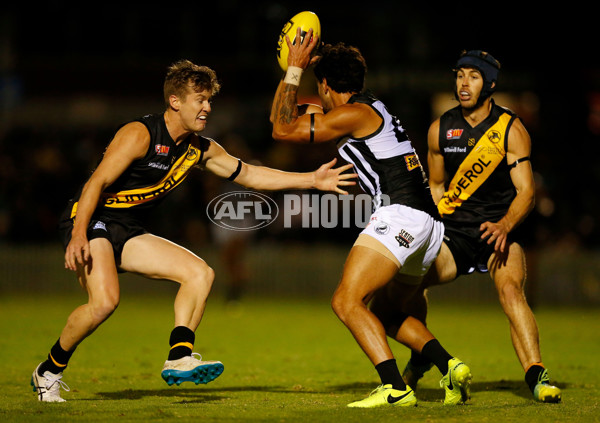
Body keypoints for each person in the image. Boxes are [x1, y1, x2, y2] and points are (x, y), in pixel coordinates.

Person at [31, 59, 357, 403]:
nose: (207, 107)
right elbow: (96, 182)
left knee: (200, 273)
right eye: (199, 100)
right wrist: (80, 233)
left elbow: (249, 175)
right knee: (104, 303)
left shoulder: (199, 148)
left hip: (127, 229)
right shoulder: (140, 134)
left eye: (209, 100)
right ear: (175, 102)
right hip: (91, 218)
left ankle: (179, 356)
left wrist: (312, 180)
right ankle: (48, 371)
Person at [270, 28, 471, 408]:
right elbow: (282, 116)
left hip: (401, 214)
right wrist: (301, 71)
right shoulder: (367, 107)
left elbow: (280, 130)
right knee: (385, 313)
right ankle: (450, 365)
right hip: (427, 223)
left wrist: (293, 70)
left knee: (346, 301)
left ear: (326, 84)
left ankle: (395, 388)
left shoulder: (352, 114)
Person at [373, 50, 562, 403]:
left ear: (489, 83)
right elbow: (438, 187)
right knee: (408, 284)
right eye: (460, 75)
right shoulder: (440, 129)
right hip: (455, 234)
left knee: (510, 292)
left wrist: (505, 225)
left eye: (473, 76)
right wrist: (426, 224)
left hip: (500, 233)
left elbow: (527, 193)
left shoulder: (511, 129)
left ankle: (537, 375)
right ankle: (421, 354)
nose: (463, 83)